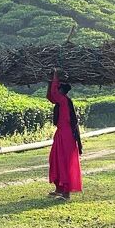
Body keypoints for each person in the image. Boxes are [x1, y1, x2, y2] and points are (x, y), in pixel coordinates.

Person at [46, 68, 82, 200]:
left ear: (62, 91)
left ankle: (66, 193)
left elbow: (53, 94)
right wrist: (50, 82)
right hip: (61, 133)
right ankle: (59, 189)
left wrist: (55, 75)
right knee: (55, 159)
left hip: (66, 135)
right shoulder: (62, 101)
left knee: (64, 162)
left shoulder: (64, 101)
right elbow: (50, 96)